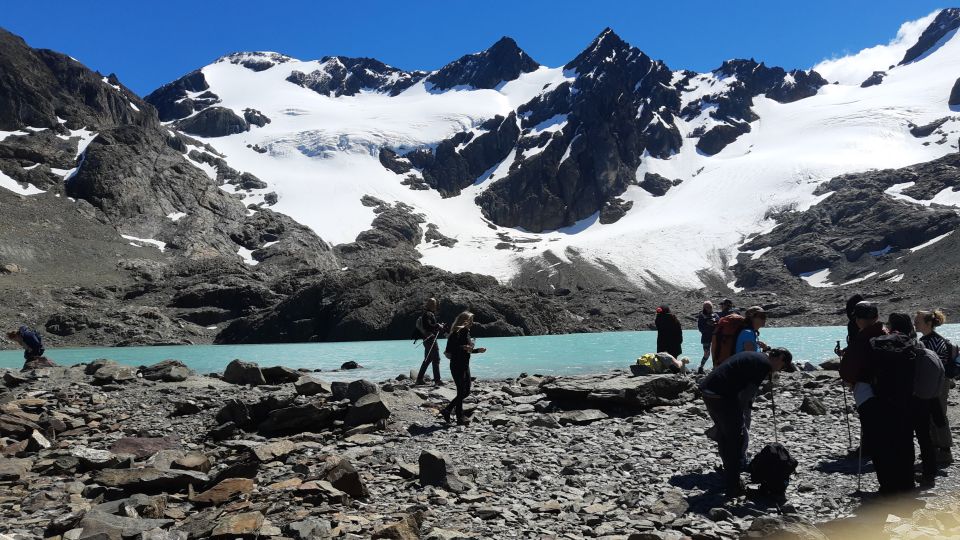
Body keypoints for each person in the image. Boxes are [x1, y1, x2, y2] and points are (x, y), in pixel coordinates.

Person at [699, 348, 795, 496]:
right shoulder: (763, 365)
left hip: (709, 390)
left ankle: (730, 475)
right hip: (722, 395)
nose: (780, 370)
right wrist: (741, 413)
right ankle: (733, 485)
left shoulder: (757, 357)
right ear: (780, 358)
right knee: (737, 439)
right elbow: (746, 395)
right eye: (782, 367)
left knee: (726, 435)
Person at [869, 313, 923, 494]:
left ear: (890, 326)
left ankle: (887, 485)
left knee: (885, 441)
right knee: (905, 440)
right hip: (906, 398)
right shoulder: (911, 343)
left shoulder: (878, 342)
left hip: (882, 398)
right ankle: (907, 482)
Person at [839, 301, 887, 462]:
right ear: (877, 316)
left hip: (865, 389)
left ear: (858, 320)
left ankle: (872, 454)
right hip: (890, 389)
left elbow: (848, 370)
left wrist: (850, 381)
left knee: (869, 423)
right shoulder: (887, 333)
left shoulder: (861, 339)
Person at [915, 310, 953, 468]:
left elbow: (935, 365)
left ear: (928, 323)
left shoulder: (933, 341)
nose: (915, 323)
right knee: (935, 414)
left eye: (918, 321)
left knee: (938, 414)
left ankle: (944, 451)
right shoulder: (930, 339)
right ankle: (937, 448)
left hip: (937, 383)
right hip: (936, 382)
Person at [440, 311, 486, 426]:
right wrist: (462, 347)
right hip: (456, 365)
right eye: (471, 320)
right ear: (464, 321)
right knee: (461, 391)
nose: (472, 323)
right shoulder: (455, 333)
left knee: (466, 392)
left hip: (465, 364)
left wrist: (477, 350)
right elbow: (449, 350)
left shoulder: (467, 332)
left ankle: (447, 410)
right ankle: (459, 417)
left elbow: (468, 350)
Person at [415, 298, 446, 386]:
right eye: (434, 304)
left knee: (427, 359)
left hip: (426, 339)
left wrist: (438, 326)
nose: (435, 306)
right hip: (430, 339)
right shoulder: (428, 314)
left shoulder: (426, 314)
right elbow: (428, 326)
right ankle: (437, 381)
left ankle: (419, 379)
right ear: (431, 305)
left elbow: (428, 326)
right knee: (436, 359)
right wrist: (437, 325)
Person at [697, 301, 720, 374]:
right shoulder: (701, 316)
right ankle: (701, 367)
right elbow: (701, 329)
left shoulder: (715, 315)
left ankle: (715, 367)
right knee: (707, 354)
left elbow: (719, 324)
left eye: (710, 307)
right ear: (704, 308)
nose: (709, 308)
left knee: (716, 352)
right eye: (707, 307)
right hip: (706, 338)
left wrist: (715, 323)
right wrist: (708, 324)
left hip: (715, 337)